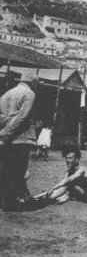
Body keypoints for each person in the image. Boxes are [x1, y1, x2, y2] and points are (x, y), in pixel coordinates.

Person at [0, 73, 38, 211]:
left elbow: (2, 117)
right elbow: (23, 117)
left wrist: (5, 130)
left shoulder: (7, 94)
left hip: (6, 140)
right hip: (21, 138)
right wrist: (7, 132)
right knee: (18, 171)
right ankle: (11, 202)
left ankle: (5, 200)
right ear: (32, 82)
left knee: (5, 169)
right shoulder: (29, 94)